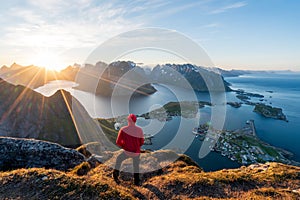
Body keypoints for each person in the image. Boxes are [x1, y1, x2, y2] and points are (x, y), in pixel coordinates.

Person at [113, 114, 144, 185]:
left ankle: (115, 176)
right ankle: (136, 182)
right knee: (136, 166)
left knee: (119, 159)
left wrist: (125, 146)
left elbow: (118, 142)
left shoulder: (123, 130)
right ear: (135, 121)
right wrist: (136, 146)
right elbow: (141, 142)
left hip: (127, 152)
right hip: (136, 152)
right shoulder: (139, 130)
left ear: (128, 121)